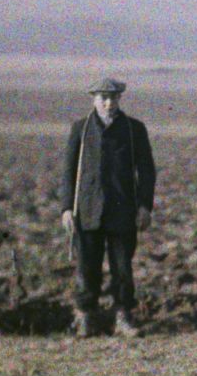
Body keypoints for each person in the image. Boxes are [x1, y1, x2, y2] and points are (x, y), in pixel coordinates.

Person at [60, 78, 156, 337]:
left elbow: (146, 171)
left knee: (122, 269)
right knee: (86, 268)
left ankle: (123, 317)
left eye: (113, 97)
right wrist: (66, 208)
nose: (109, 102)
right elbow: (68, 172)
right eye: (103, 97)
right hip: (87, 211)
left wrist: (145, 206)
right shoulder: (81, 128)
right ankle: (85, 318)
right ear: (94, 98)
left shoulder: (134, 129)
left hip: (123, 212)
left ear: (120, 99)